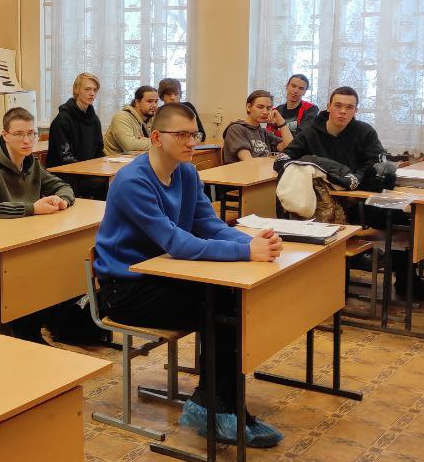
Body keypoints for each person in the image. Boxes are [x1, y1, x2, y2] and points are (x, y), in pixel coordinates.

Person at [95, 102, 285, 448]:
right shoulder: (132, 181)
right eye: (181, 135)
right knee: (218, 306)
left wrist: (251, 242)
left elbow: (209, 225)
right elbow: (176, 242)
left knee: (229, 298)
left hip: (164, 274)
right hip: (126, 289)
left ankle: (220, 406)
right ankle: (216, 408)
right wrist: (245, 252)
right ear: (156, 137)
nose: (191, 142)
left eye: (194, 134)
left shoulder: (186, 173)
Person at [281, 86, 424, 301]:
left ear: (356, 110)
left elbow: (378, 164)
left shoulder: (364, 132)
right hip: (323, 206)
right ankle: (330, 289)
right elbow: (286, 158)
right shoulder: (311, 132)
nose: (343, 111)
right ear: (328, 106)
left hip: (361, 201)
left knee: (401, 220)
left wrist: (355, 181)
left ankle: (406, 281)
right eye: (338, 106)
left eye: (349, 107)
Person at [0, 107, 76, 343]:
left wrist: (62, 200)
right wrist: (32, 208)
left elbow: (63, 187)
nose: (27, 140)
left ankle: (54, 323)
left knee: (62, 255)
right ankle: (23, 332)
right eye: (19, 134)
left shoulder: (31, 162)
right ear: (5, 135)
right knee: (33, 263)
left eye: (31, 133)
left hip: (22, 238)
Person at [46, 72, 108, 200]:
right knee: (104, 184)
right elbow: (66, 157)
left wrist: (103, 167)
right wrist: (91, 171)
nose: (92, 93)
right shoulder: (62, 120)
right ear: (76, 90)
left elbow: (99, 151)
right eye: (87, 89)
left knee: (116, 181)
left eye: (95, 90)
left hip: (86, 172)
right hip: (65, 174)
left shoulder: (94, 119)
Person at [221, 90, 293, 164]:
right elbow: (249, 161)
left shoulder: (263, 132)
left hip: (263, 170)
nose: (265, 112)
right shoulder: (236, 129)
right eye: (260, 107)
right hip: (244, 171)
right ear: (248, 107)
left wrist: (282, 122)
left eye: (268, 108)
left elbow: (290, 149)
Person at [103, 85, 159, 155]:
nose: (154, 105)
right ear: (137, 102)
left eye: (156, 102)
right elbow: (130, 146)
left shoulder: (151, 118)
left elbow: (162, 138)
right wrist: (155, 142)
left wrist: (144, 141)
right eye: (150, 101)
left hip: (136, 159)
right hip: (113, 160)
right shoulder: (121, 117)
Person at [271, 73, 318, 137]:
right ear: (287, 86)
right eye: (293, 86)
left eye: (301, 88)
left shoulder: (311, 108)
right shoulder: (278, 109)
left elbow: (302, 135)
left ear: (304, 92)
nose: (296, 91)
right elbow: (270, 134)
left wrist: (278, 133)